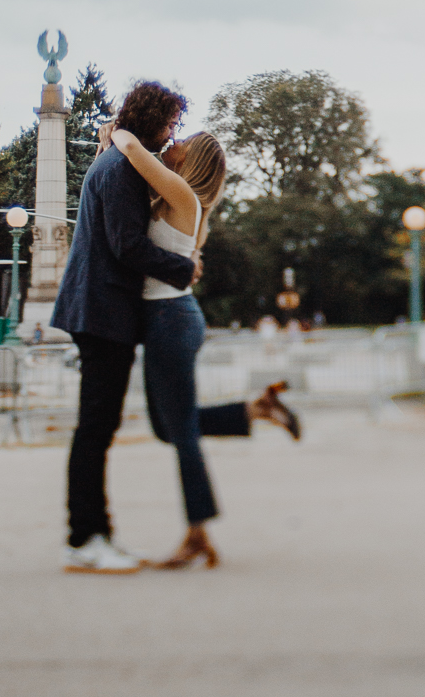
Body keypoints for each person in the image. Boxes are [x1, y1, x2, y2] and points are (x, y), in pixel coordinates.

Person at [110, 121, 301, 570]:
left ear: (191, 161)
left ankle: (198, 533)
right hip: (169, 320)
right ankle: (256, 410)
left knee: (182, 436)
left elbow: (135, 150)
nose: (173, 144)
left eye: (184, 143)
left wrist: (116, 131)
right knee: (166, 427)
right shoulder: (185, 201)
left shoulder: (183, 197)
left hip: (170, 322)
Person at [52, 79, 198, 574]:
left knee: (99, 427)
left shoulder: (118, 161)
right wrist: (185, 268)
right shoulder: (121, 172)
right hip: (101, 310)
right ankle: (85, 538)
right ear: (151, 118)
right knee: (95, 428)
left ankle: (96, 534)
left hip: (98, 309)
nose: (172, 131)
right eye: (170, 121)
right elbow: (126, 245)